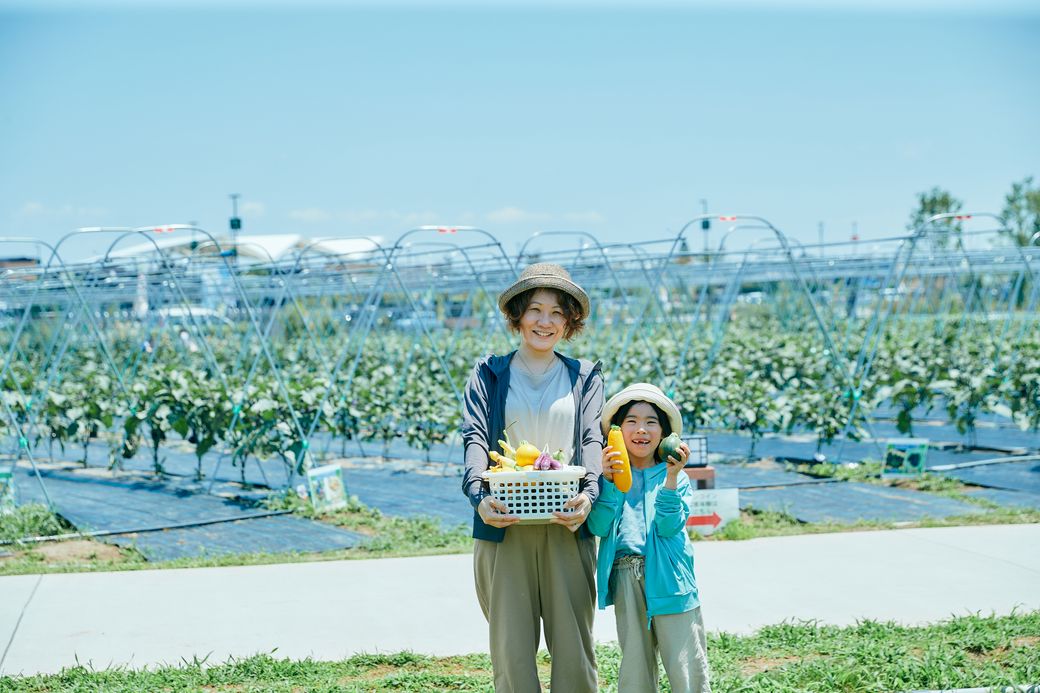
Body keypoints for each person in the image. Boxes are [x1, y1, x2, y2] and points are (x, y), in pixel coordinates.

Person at [461, 262, 604, 693]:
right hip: (505, 520)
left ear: (569, 322)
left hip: (567, 520)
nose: (545, 321)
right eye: (536, 310)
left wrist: (591, 495)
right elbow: (474, 438)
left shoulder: (583, 376)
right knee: (511, 651)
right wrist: (478, 495)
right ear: (518, 315)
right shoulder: (490, 373)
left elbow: (592, 440)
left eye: (557, 313)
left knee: (575, 650)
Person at [587, 383, 711, 693]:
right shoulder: (607, 477)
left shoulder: (676, 478)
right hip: (625, 576)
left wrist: (670, 477)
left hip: (670, 579)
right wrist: (609, 482)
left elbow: (669, 527)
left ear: (664, 432)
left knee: (686, 669)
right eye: (632, 421)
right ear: (618, 430)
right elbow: (598, 526)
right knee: (635, 669)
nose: (641, 429)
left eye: (651, 422)